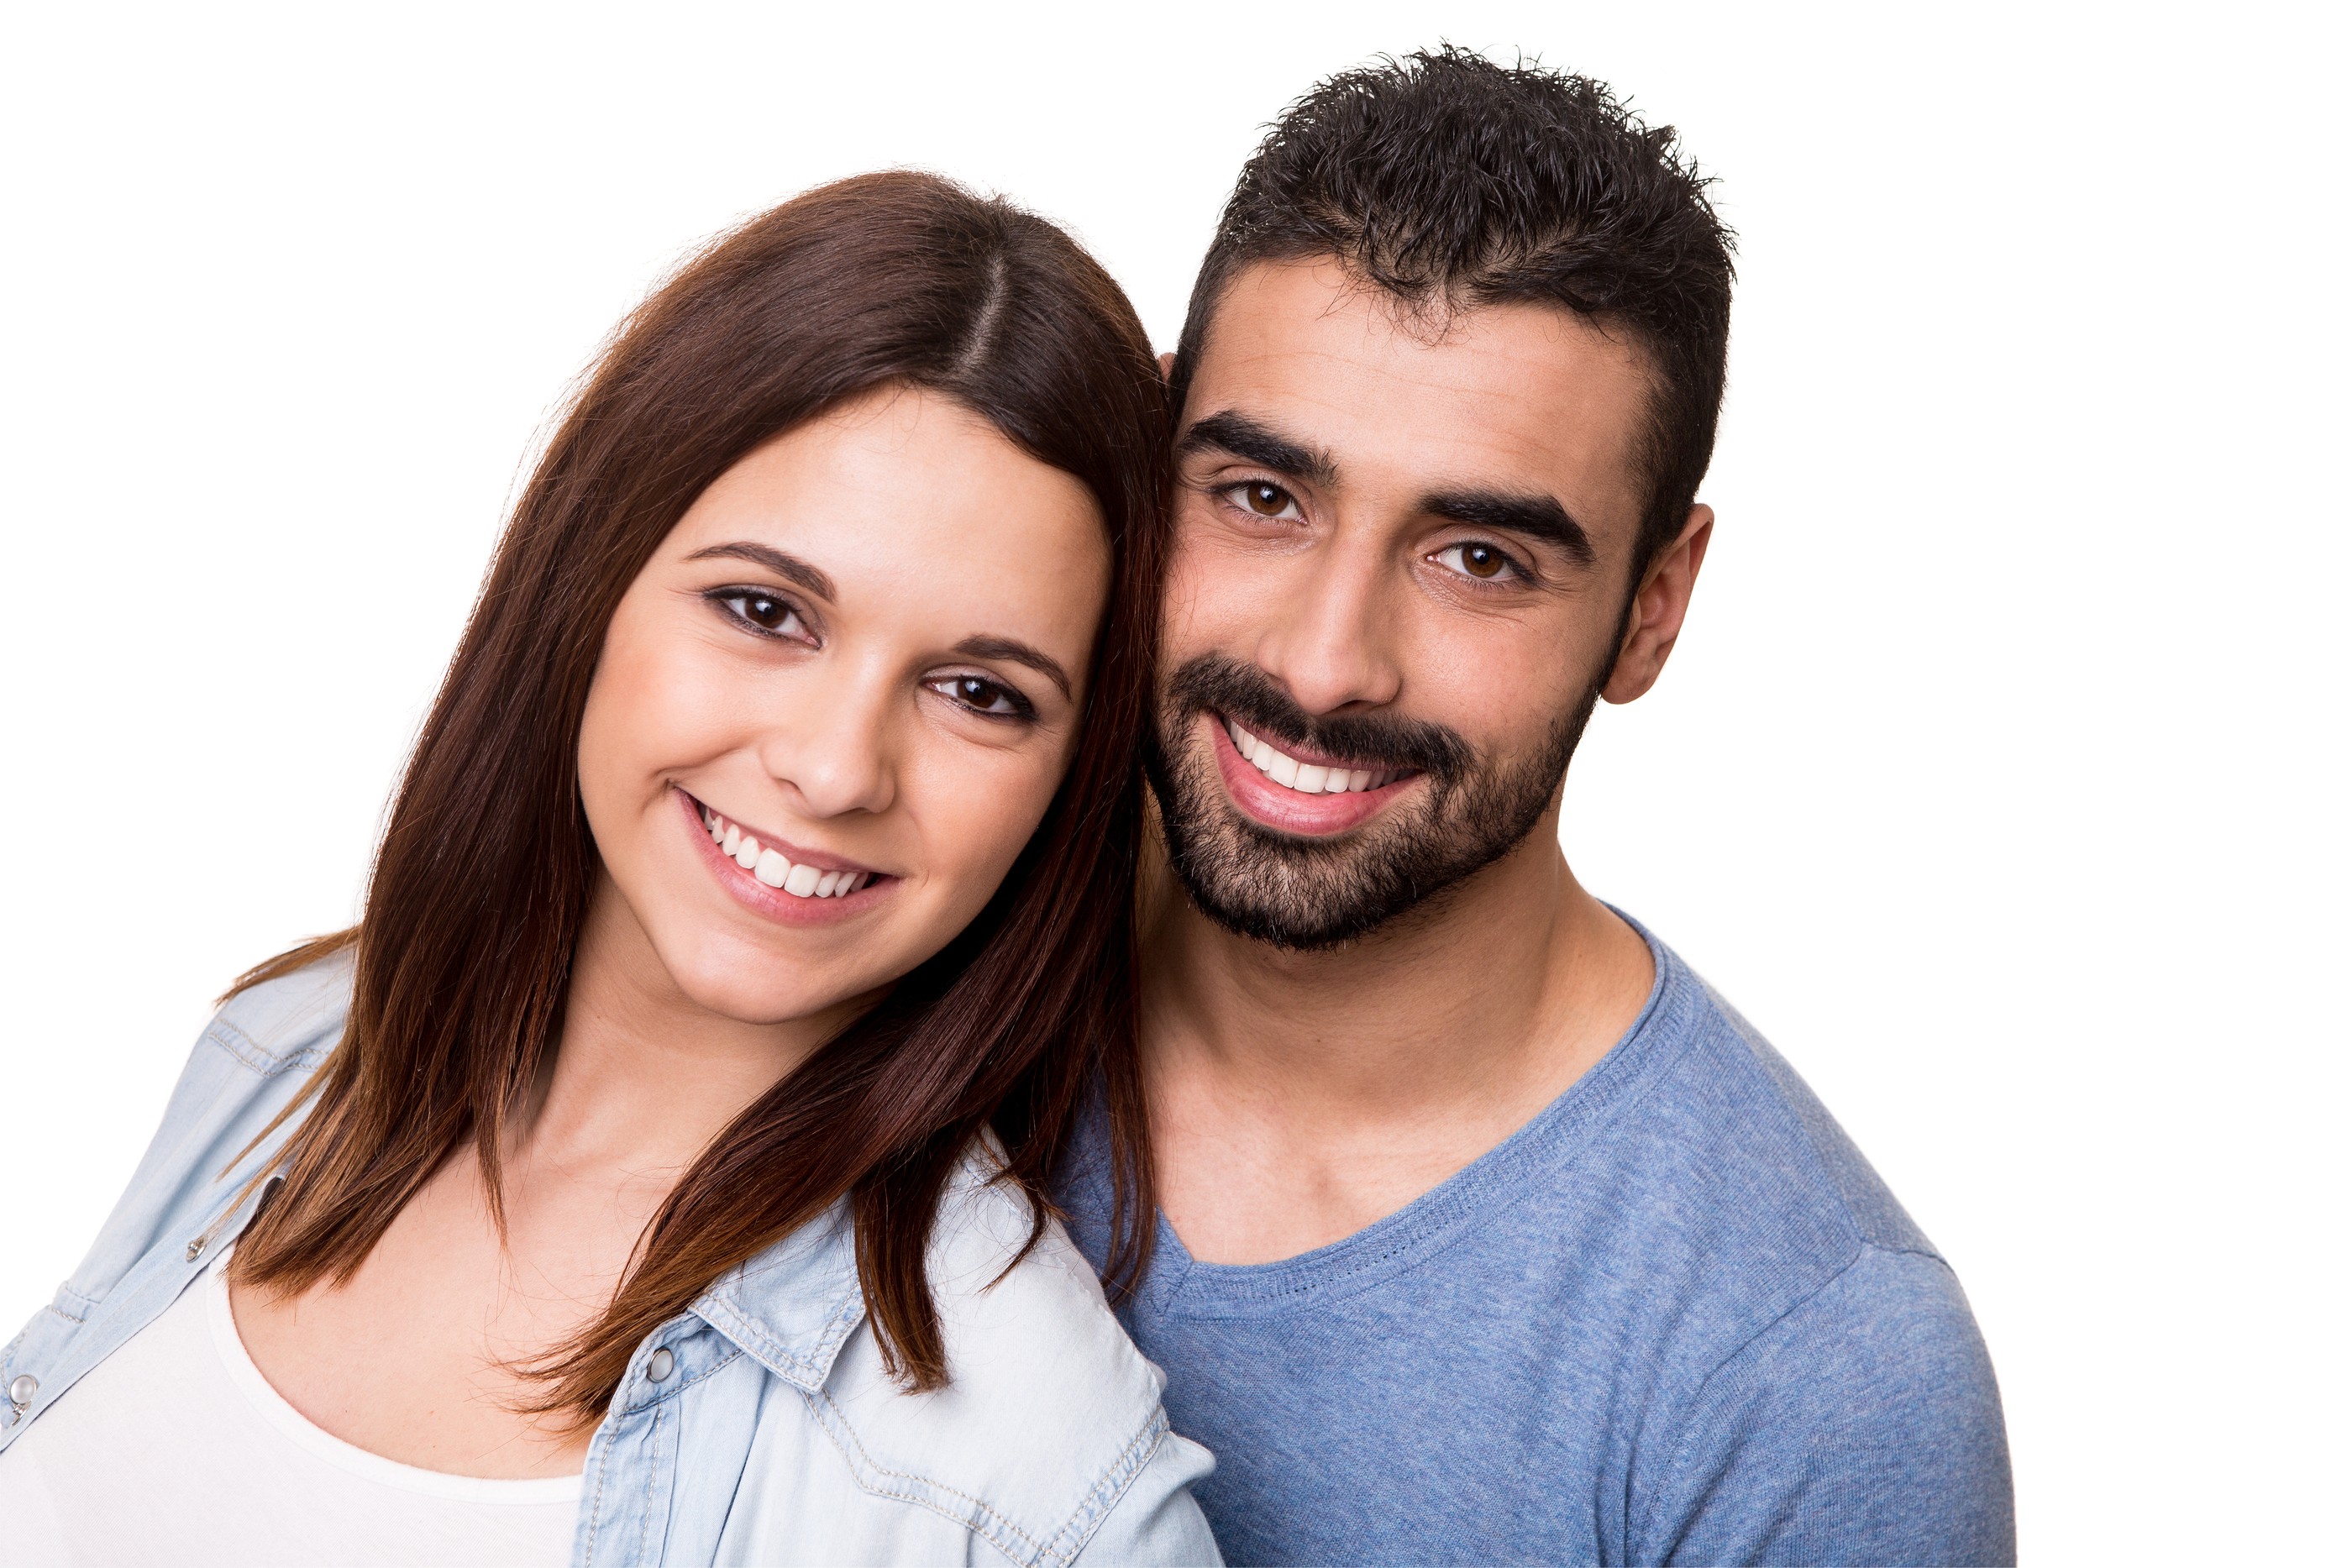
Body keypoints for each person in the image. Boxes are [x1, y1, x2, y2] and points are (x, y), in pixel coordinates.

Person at [0, 172, 1220, 1566]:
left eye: (980, 692)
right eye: (765, 611)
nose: (835, 770)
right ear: (590, 577)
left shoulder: (1029, 1475)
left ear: (1068, 782)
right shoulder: (285, 1054)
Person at [1056, 49, 2017, 1566]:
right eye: (1262, 498)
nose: (1325, 661)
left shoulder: (1810, 1373)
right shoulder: (905, 943)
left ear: (1653, 606)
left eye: (1480, 558)